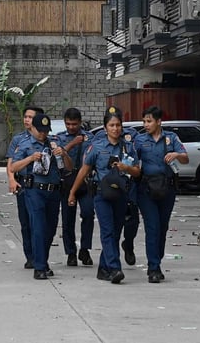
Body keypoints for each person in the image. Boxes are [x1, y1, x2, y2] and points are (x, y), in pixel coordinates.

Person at [68, 106, 139, 284]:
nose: (115, 129)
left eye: (118, 125)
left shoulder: (128, 146)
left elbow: (137, 171)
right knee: (107, 231)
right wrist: (72, 192)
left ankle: (103, 268)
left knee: (115, 232)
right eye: (112, 125)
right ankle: (115, 268)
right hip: (101, 194)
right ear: (105, 127)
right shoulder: (96, 147)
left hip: (121, 194)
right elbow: (84, 170)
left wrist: (127, 168)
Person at [10, 111, 71, 280]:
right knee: (38, 227)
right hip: (34, 191)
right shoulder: (24, 144)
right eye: (40, 130)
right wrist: (30, 158)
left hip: (54, 191)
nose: (43, 134)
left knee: (50, 229)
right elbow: (14, 167)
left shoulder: (54, 143)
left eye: (46, 130)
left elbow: (69, 168)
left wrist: (63, 154)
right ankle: (40, 267)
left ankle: (42, 260)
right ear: (33, 128)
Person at [134, 106, 189, 283]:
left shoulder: (171, 138)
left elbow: (185, 157)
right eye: (144, 121)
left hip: (167, 188)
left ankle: (157, 258)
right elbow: (132, 160)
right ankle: (153, 268)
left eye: (149, 121)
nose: (146, 124)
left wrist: (176, 155)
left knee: (162, 227)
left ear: (159, 122)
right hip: (146, 189)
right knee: (152, 226)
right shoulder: (140, 140)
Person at [55, 107, 94, 267]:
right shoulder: (59, 138)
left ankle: (84, 249)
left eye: (74, 124)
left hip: (85, 182)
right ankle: (70, 252)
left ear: (80, 122)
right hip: (67, 181)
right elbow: (57, 155)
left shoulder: (89, 137)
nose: (71, 127)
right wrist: (72, 143)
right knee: (68, 219)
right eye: (68, 124)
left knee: (88, 213)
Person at [6, 107, 38, 269]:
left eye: (31, 117)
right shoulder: (18, 139)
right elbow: (10, 163)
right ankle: (30, 257)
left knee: (38, 223)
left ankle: (39, 255)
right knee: (25, 223)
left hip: (39, 185)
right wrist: (11, 180)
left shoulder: (45, 138)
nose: (27, 120)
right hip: (23, 184)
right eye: (25, 116)